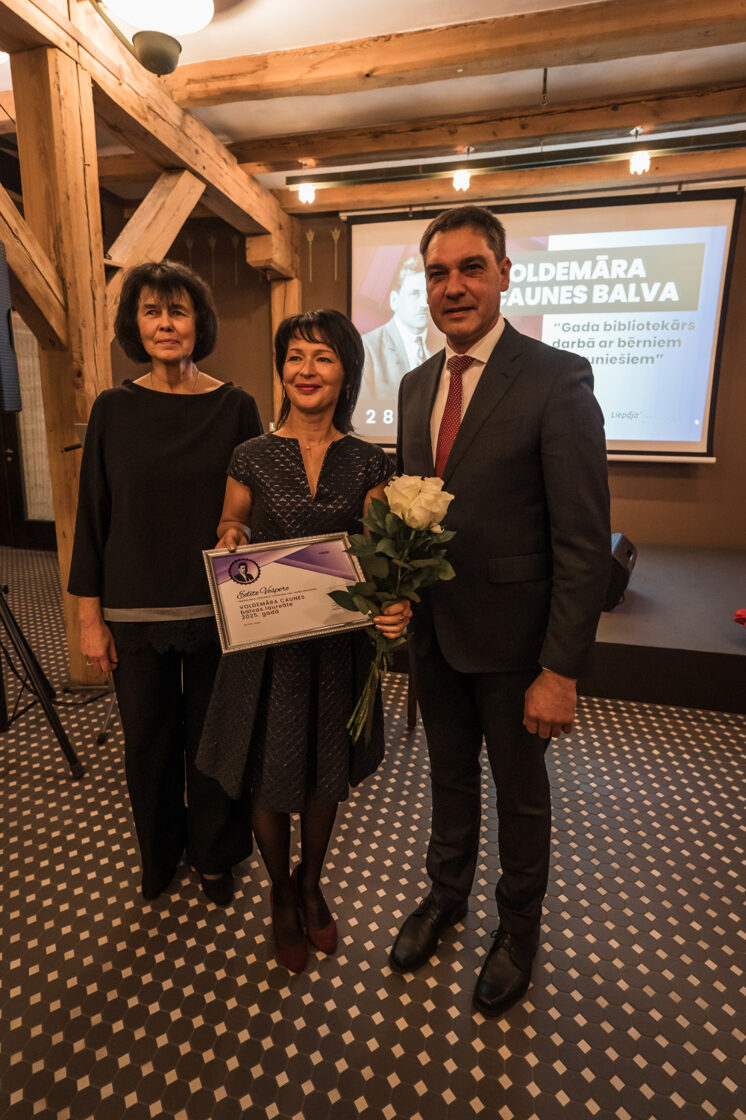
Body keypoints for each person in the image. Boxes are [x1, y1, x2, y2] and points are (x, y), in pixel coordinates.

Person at [390, 205, 610, 1016]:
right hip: (435, 639)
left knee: (519, 797)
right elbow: (415, 514)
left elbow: (583, 544)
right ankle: (446, 896)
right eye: (437, 273)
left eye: (471, 268)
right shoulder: (415, 385)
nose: (453, 287)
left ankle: (518, 930)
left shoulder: (558, 377)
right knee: (447, 781)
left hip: (519, 649)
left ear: (505, 274)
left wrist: (560, 670)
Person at [196, 309, 410, 973]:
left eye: (322, 357)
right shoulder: (250, 455)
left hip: (335, 647)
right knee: (266, 774)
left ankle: (310, 882)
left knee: (324, 774)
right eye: (294, 356)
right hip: (265, 644)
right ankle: (280, 893)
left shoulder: (369, 461)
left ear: (347, 371)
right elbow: (231, 521)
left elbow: (378, 555)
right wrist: (231, 539)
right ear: (282, 369)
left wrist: (394, 600)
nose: (306, 370)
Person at [68, 260, 263, 904]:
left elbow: (256, 507)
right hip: (133, 612)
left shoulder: (237, 407)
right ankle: (159, 853)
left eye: (178, 311)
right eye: (151, 311)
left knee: (215, 741)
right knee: (148, 745)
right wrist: (90, 619)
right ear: (135, 325)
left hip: (218, 609)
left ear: (199, 322)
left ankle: (214, 854)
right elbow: (93, 516)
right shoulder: (113, 408)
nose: (165, 323)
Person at [361, 258, 432, 405]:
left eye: (428, 294)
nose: (424, 303)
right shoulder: (367, 348)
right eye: (415, 294)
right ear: (394, 300)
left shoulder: (446, 345)